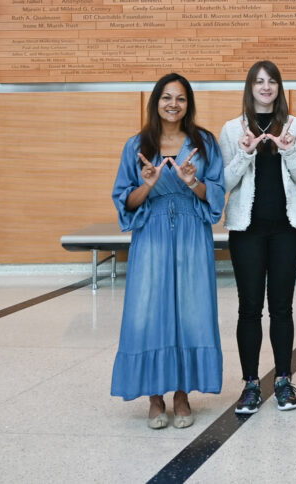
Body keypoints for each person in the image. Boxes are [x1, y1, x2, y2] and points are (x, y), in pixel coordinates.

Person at [111, 73, 226, 429]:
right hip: (152, 233)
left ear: (188, 104)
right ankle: (154, 396)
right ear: (156, 102)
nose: (173, 104)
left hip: (192, 233)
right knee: (148, 310)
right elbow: (126, 201)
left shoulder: (204, 143)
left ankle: (181, 395)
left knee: (192, 310)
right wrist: (147, 185)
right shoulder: (136, 146)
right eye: (166, 97)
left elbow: (217, 194)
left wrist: (193, 182)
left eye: (180, 98)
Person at [220, 61, 296, 415]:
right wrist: (244, 152)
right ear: (250, 87)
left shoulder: (294, 125)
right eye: (259, 81)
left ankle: (283, 381)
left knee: (281, 307)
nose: (265, 87)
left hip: (286, 229)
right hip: (246, 229)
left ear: (279, 87)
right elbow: (224, 182)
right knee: (249, 308)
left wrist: (289, 149)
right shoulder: (232, 129)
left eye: (272, 81)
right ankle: (250, 384)